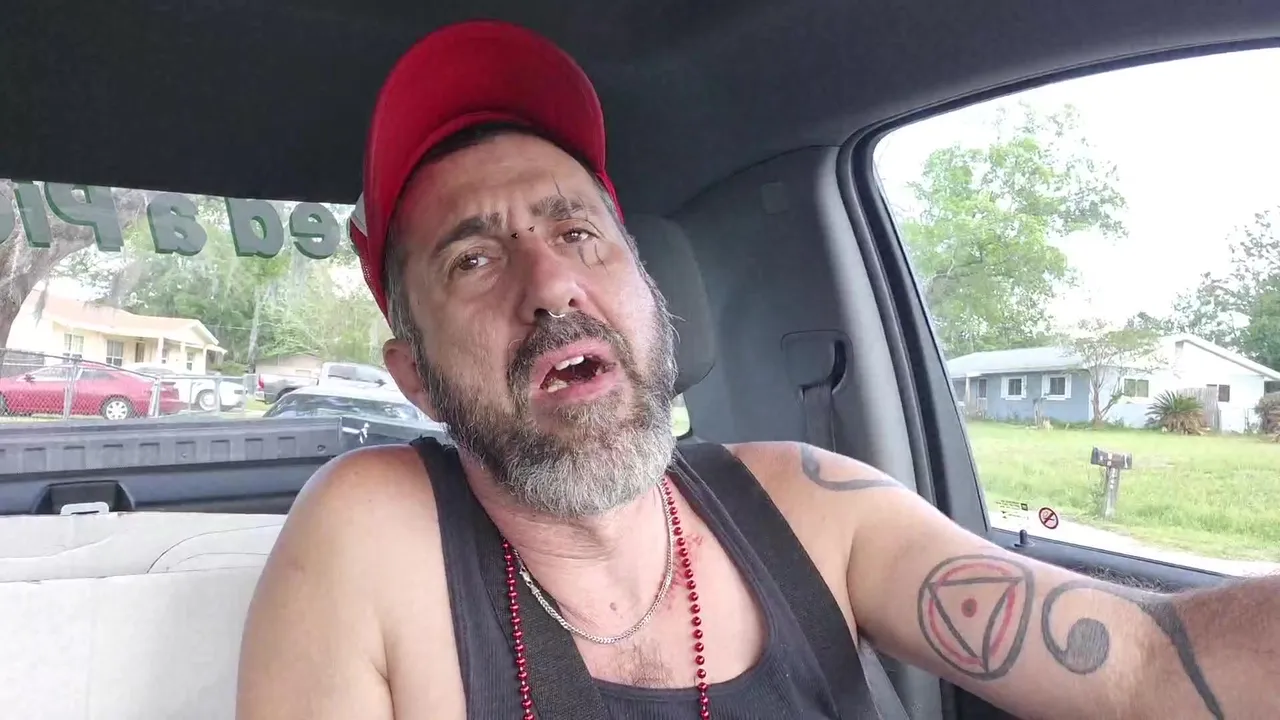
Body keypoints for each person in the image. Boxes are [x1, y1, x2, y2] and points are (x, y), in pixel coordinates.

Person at [237, 19, 1278, 720]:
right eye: (473, 259)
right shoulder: (369, 533)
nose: (551, 284)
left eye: (580, 231)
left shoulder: (813, 506)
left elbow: (1144, 665)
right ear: (414, 377)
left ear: (650, 295)